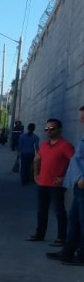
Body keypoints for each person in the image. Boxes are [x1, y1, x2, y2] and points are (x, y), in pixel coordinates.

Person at [27, 118, 74, 244]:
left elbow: (75, 164)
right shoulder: (44, 145)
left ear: (59, 129)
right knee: (41, 211)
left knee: (59, 211)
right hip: (42, 184)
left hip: (56, 185)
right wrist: (36, 175)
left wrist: (64, 177)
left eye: (52, 129)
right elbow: (37, 159)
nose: (49, 131)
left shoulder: (66, 146)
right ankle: (39, 235)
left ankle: (61, 237)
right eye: (46, 129)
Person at [48, 107, 84, 265]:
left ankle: (82, 256)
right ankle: (68, 252)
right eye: (81, 117)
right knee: (74, 221)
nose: (82, 120)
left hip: (83, 185)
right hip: (78, 186)